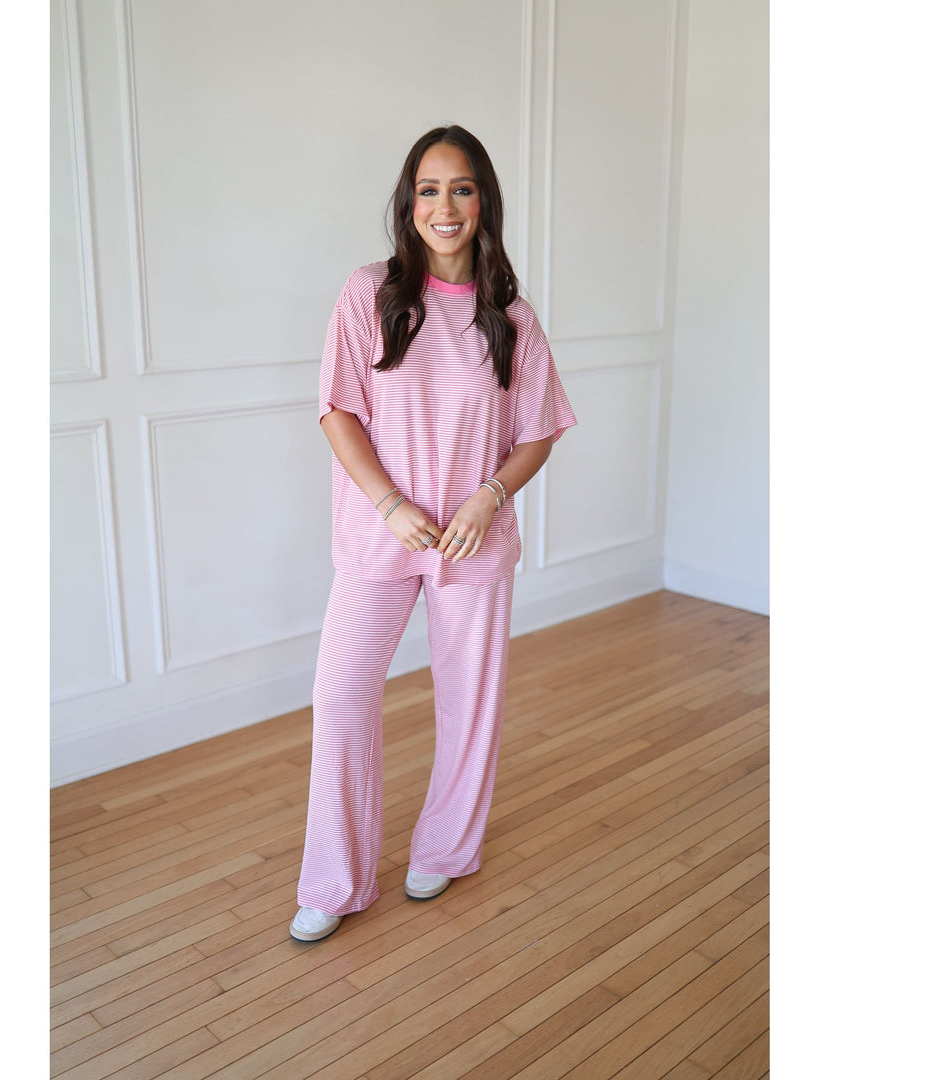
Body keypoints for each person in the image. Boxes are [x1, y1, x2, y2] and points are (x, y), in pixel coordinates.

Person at [291, 125, 577, 942]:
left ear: (483, 201)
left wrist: (490, 497)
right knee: (341, 696)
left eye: (460, 188)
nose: (443, 206)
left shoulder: (511, 319)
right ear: (408, 202)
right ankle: (335, 879)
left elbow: (538, 432)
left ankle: (446, 848)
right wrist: (390, 504)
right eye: (427, 189)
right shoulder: (370, 293)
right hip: (379, 535)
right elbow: (337, 412)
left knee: (469, 704)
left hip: (472, 541)